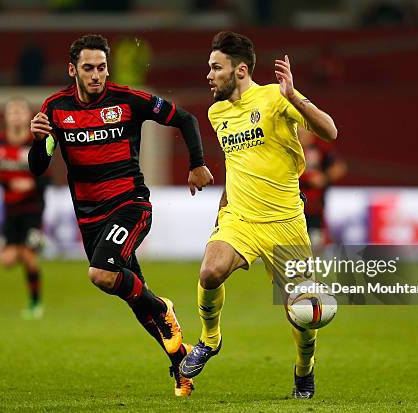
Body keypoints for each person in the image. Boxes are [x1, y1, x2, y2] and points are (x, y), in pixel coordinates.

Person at [28, 34, 213, 397]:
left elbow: (186, 119)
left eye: (101, 68)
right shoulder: (54, 109)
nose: (96, 75)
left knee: (101, 274)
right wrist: (37, 141)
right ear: (72, 70)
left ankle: (163, 307)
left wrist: (197, 163)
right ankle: (181, 365)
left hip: (130, 206)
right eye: (88, 68)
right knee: (131, 294)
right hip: (90, 220)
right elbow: (38, 167)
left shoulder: (128, 100)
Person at [179, 31, 338, 399]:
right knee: (210, 270)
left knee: (301, 314)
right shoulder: (216, 112)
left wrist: (294, 96)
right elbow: (237, 166)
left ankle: (304, 368)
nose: (208, 75)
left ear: (240, 70)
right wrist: (222, 211)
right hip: (242, 219)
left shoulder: (274, 97)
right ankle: (209, 340)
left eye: (215, 68)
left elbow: (329, 131)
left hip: (286, 223)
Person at [0, 97, 48, 319]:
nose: (16, 116)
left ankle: (36, 304)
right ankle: (32, 244)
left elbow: (48, 178)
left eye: (20, 112)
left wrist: (32, 183)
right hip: (9, 209)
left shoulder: (35, 143)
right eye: (12, 112)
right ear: (6, 117)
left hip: (32, 208)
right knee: (6, 260)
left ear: (28, 116)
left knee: (28, 256)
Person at [298, 128, 347, 253]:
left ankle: (316, 268)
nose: (300, 133)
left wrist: (324, 177)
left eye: (303, 130)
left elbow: (340, 167)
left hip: (315, 207)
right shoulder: (290, 147)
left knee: (316, 243)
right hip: (293, 206)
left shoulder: (320, 148)